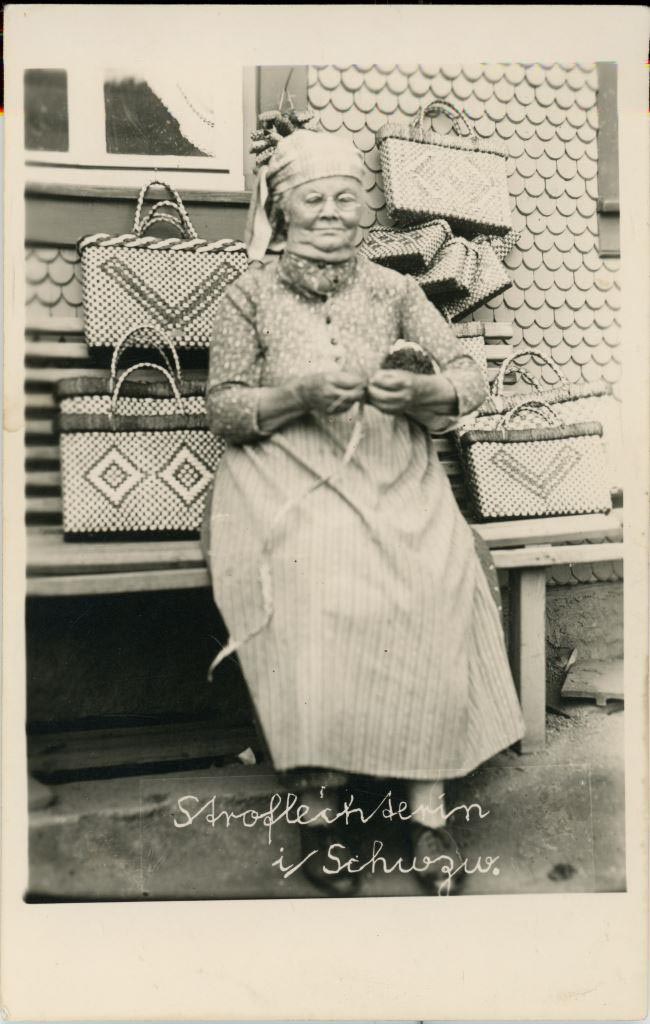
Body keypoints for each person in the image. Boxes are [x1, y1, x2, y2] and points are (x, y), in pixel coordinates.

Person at [204, 129, 525, 897]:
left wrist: (427, 392)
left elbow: (468, 374)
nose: (331, 212)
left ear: (365, 210)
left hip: (394, 472)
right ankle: (321, 808)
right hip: (283, 479)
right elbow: (224, 408)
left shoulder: (396, 290)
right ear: (282, 210)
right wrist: (296, 397)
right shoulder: (249, 294)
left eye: (346, 197)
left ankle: (427, 809)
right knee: (311, 584)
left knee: (432, 578)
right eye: (313, 198)